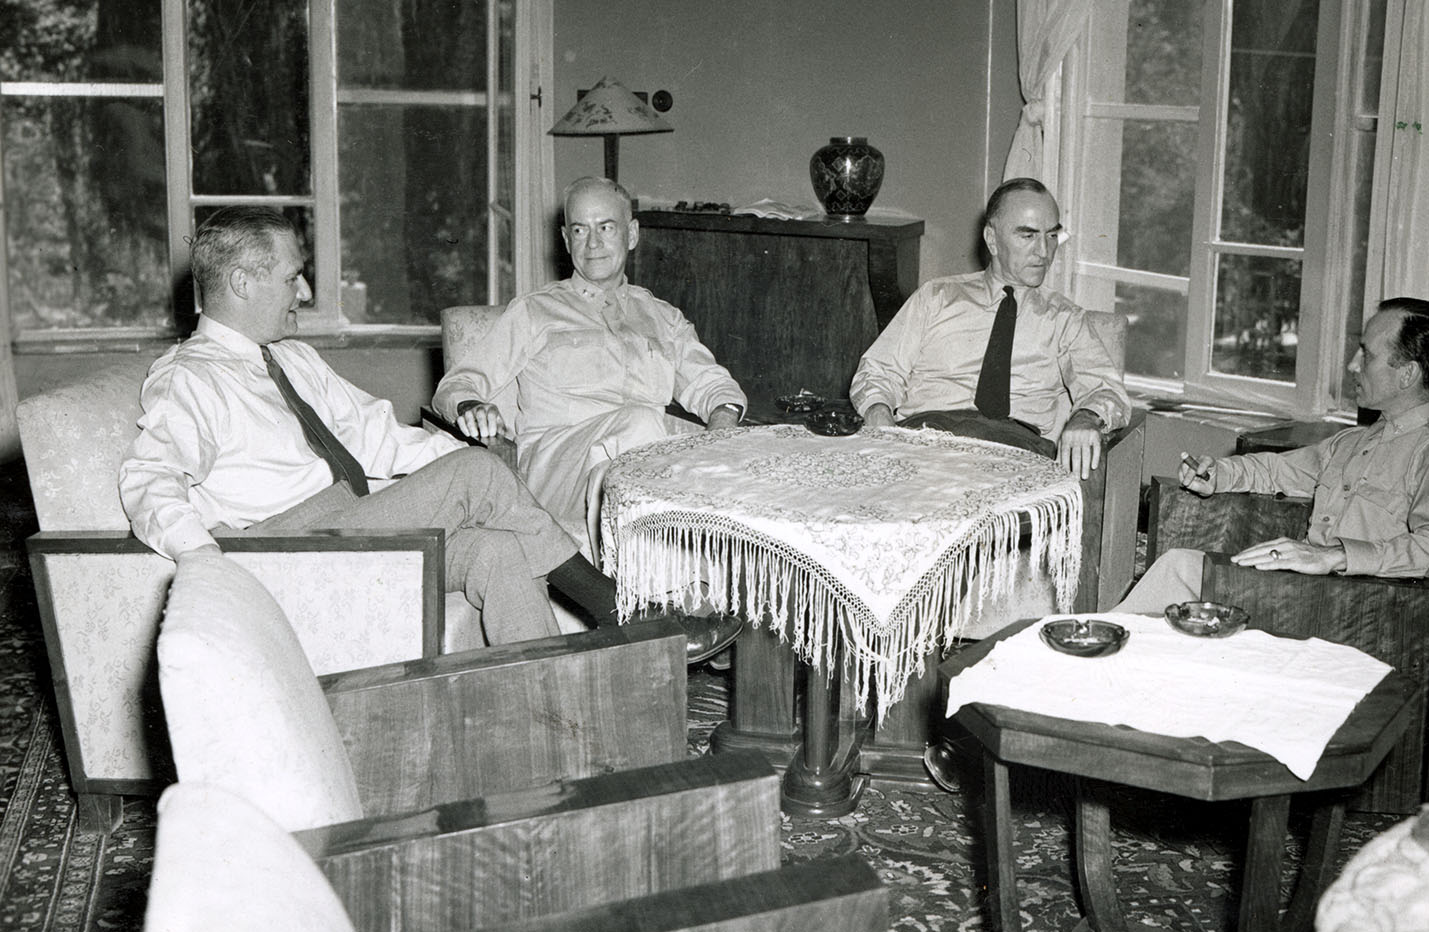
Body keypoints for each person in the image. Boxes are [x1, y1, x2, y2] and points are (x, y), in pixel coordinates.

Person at [118, 206, 735, 662]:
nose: (305, 292)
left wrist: (494, 460)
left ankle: (553, 716)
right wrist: (204, 560)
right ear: (243, 283)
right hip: (286, 546)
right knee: (474, 475)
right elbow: (149, 479)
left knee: (498, 549)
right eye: (292, 277)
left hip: (352, 524)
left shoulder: (293, 359)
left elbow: (379, 437)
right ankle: (618, 606)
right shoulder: (189, 377)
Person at [431, 176, 748, 552]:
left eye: (606, 228)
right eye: (580, 230)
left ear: (631, 234)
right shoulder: (534, 311)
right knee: (643, 421)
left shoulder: (664, 318)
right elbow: (456, 386)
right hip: (556, 472)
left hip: (632, 472)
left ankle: (656, 576)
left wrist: (722, 423)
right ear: (566, 240)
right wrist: (472, 406)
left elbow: (715, 385)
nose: (592, 243)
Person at [1114, 297, 1429, 613]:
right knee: (1179, 574)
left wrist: (1334, 556)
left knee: (1182, 571)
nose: (1353, 365)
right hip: (1309, 592)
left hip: (1360, 605)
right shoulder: (1355, 441)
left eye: (1366, 354)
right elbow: (1276, 470)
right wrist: (1219, 474)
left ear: (1408, 374)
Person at [850, 177, 1130, 478]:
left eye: (1051, 236)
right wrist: (877, 409)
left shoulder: (1066, 319)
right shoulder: (937, 297)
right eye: (1028, 236)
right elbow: (878, 370)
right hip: (923, 444)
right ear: (992, 239)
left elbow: (1107, 391)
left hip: (1013, 456)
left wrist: (1087, 418)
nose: (1044, 252)